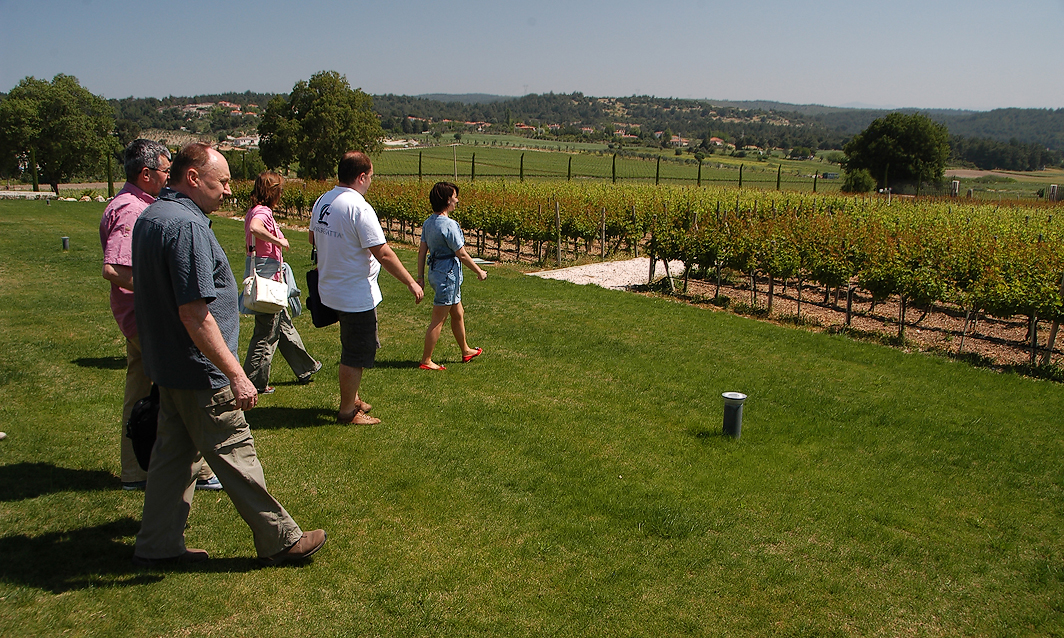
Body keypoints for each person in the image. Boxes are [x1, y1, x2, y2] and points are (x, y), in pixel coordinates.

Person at [130, 143, 325, 566]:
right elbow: (194, 312)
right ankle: (280, 539)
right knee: (235, 450)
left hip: (169, 367)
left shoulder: (151, 217)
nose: (229, 190)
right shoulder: (186, 226)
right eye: (221, 181)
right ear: (193, 177)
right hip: (200, 370)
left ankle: (157, 546)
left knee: (172, 459)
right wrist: (236, 373)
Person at [99, 139, 220, 492]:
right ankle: (195, 470)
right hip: (146, 318)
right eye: (166, 171)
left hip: (138, 316)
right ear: (146, 173)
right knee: (182, 389)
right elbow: (113, 269)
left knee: (143, 391)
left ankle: (138, 471)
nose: (169, 177)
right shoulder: (131, 209)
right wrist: (165, 290)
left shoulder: (132, 204)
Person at [309, 151, 424, 426]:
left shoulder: (323, 200)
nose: (371, 181)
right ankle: (348, 412)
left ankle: (354, 398)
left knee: (351, 344)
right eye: (371, 176)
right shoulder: (359, 207)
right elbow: (383, 253)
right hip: (354, 294)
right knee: (355, 353)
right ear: (361, 177)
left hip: (330, 289)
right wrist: (411, 282)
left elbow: (313, 238)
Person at [242, 171, 321, 394]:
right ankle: (254, 381)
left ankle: (305, 367)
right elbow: (255, 228)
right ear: (273, 192)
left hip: (264, 272)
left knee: (282, 323)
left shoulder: (253, 210)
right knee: (266, 331)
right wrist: (279, 240)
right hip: (268, 276)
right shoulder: (263, 212)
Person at [416, 182, 487, 370]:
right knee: (438, 319)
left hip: (436, 272)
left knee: (458, 313)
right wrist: (479, 271)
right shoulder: (450, 225)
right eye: (455, 196)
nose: (457, 200)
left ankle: (465, 350)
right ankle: (426, 360)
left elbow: (422, 252)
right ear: (447, 200)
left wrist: (420, 276)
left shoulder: (428, 223)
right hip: (447, 276)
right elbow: (461, 253)